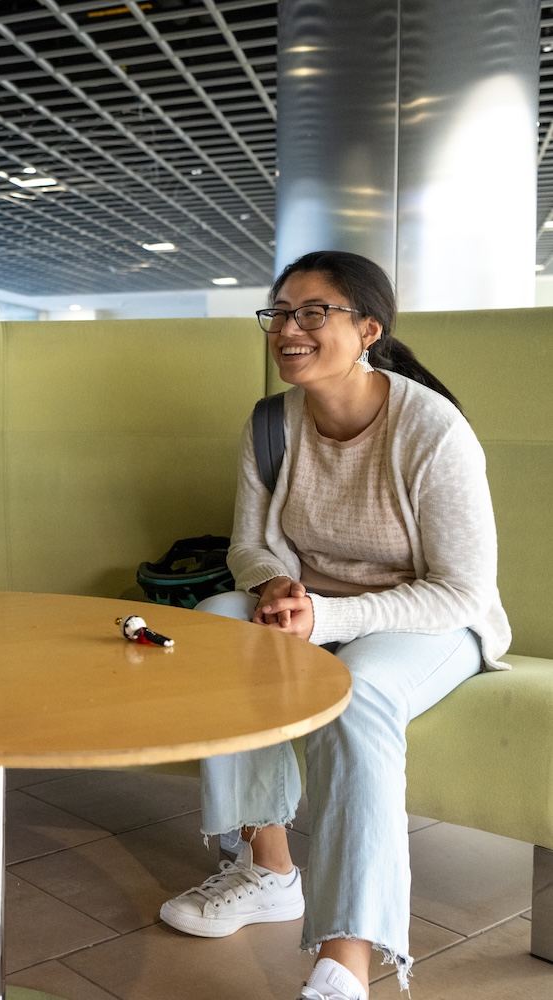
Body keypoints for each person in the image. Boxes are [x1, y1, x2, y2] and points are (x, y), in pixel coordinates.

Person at [157, 251, 510, 1000]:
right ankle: (267, 867)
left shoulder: (431, 431)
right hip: (315, 607)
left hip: (430, 620)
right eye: (280, 312)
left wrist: (328, 615)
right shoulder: (268, 426)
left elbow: (461, 589)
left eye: (313, 312)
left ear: (368, 328)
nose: (289, 328)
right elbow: (247, 544)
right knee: (222, 626)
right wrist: (274, 583)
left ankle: (347, 959)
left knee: (360, 696)